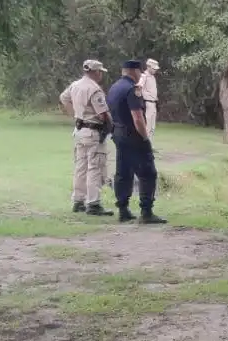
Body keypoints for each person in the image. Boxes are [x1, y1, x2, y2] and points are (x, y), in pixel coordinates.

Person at [107, 59, 167, 225]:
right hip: (133, 135)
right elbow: (138, 117)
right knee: (148, 172)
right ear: (134, 72)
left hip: (118, 133)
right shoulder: (132, 89)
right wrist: (145, 137)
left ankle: (123, 209)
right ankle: (146, 211)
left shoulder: (114, 88)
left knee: (123, 171)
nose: (140, 75)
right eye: (139, 72)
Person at [58, 60, 114, 216]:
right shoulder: (94, 89)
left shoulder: (75, 85)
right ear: (96, 72)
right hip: (93, 131)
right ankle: (93, 203)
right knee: (94, 167)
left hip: (79, 130)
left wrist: (75, 114)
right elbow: (102, 113)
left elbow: (63, 98)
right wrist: (111, 124)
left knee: (80, 167)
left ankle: (78, 200)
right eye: (100, 72)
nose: (101, 74)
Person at [137, 58, 160, 143]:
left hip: (153, 103)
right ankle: (144, 145)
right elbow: (139, 87)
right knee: (147, 126)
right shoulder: (144, 76)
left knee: (152, 126)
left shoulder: (153, 77)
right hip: (147, 103)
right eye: (153, 68)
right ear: (148, 67)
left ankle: (150, 145)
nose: (155, 70)